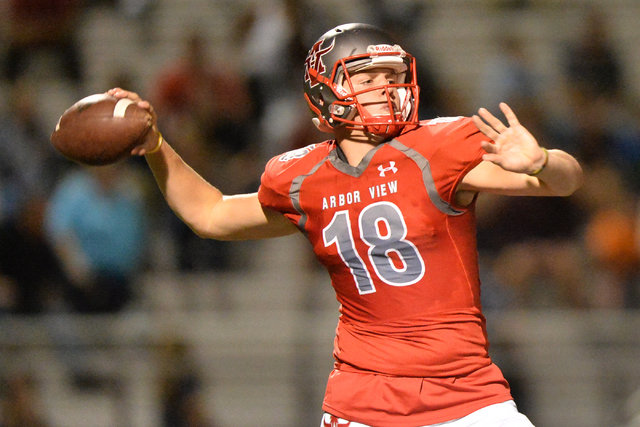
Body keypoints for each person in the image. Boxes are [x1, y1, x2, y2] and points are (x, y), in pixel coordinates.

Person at [109, 23, 583, 427]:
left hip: (465, 393)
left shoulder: (437, 148)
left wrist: (542, 159)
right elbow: (209, 214)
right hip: (362, 399)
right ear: (325, 91)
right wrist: (155, 145)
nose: (386, 86)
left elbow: (563, 182)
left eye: (393, 75)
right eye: (369, 75)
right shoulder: (302, 178)